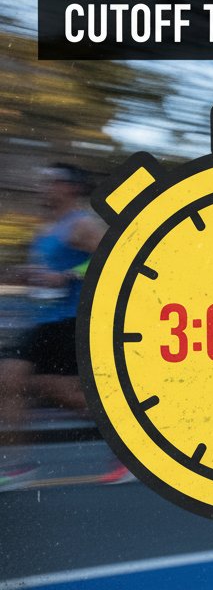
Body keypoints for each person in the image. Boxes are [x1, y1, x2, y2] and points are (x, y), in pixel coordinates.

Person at [0, 164, 130, 490]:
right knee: (31, 386)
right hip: (43, 322)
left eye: (51, 182)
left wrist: (67, 276)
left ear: (70, 188)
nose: (43, 187)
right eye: (43, 181)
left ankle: (128, 443)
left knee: (33, 385)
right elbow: (47, 271)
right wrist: (28, 274)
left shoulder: (81, 225)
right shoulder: (47, 229)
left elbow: (115, 255)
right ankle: (18, 467)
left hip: (69, 322)